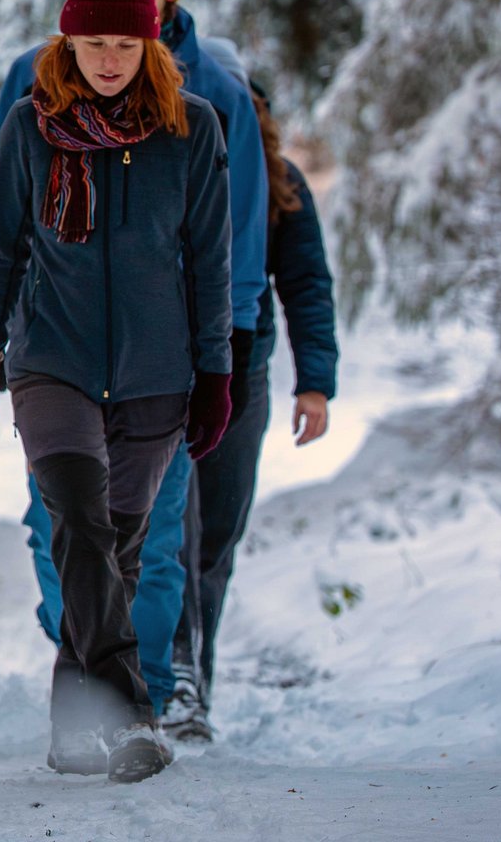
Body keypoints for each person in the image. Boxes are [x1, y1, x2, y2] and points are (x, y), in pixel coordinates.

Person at [0, 0, 268, 716]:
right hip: (53, 356)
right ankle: (119, 704)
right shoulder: (33, 99)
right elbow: (0, 227)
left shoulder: (206, 107)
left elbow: (221, 247)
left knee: (141, 546)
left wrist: (218, 366)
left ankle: (142, 698)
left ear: (166, 1)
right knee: (68, 531)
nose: (108, 57)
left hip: (159, 367)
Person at [166, 75, 339, 740]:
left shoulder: (280, 184)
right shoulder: (171, 162)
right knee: (171, 532)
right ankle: (174, 677)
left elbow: (307, 285)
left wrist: (314, 382)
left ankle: (195, 680)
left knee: (216, 537)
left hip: (246, 370)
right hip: (166, 368)